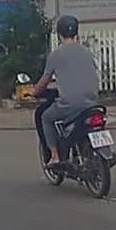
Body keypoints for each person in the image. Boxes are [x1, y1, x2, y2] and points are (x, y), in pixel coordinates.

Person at [33, 15, 100, 168]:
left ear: (59, 34)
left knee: (46, 117)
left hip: (70, 105)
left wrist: (34, 91)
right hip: (92, 103)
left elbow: (45, 80)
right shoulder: (87, 52)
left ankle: (55, 156)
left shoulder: (56, 55)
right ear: (77, 32)